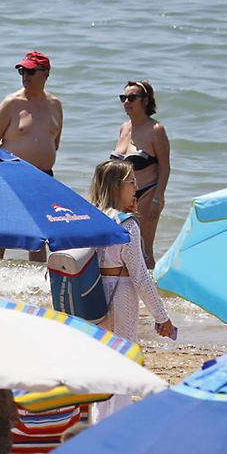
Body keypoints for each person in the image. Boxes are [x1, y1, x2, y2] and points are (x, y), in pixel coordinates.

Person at [87, 160, 176, 419]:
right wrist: (162, 316)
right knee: (121, 363)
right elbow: (140, 277)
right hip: (119, 297)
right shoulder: (126, 225)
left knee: (99, 364)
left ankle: (97, 422)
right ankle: (114, 425)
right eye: (132, 182)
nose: (136, 187)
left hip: (90, 297)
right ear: (117, 187)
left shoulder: (90, 217)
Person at [0, 51, 63, 260]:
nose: (25, 76)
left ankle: (38, 278)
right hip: (13, 176)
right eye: (22, 71)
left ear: (46, 73)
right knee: (2, 234)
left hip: (43, 177)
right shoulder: (11, 103)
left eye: (30, 71)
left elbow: (54, 143)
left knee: (38, 236)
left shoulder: (55, 104)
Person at [111, 79, 172, 264]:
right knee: (122, 248)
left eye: (132, 98)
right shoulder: (124, 128)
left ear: (145, 101)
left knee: (143, 250)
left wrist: (158, 198)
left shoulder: (156, 130)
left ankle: (151, 282)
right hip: (120, 197)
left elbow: (165, 167)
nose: (126, 102)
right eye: (123, 98)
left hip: (146, 193)